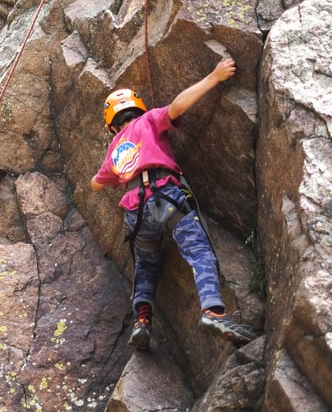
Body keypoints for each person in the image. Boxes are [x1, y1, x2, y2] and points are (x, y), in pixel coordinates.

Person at [90, 57, 256, 350]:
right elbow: (177, 107)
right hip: (164, 197)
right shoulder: (148, 120)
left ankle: (143, 321)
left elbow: (97, 183)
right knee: (198, 249)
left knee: (146, 264)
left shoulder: (114, 148)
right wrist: (214, 77)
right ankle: (213, 312)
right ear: (137, 108)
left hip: (135, 211)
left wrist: (114, 174)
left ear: (112, 127)